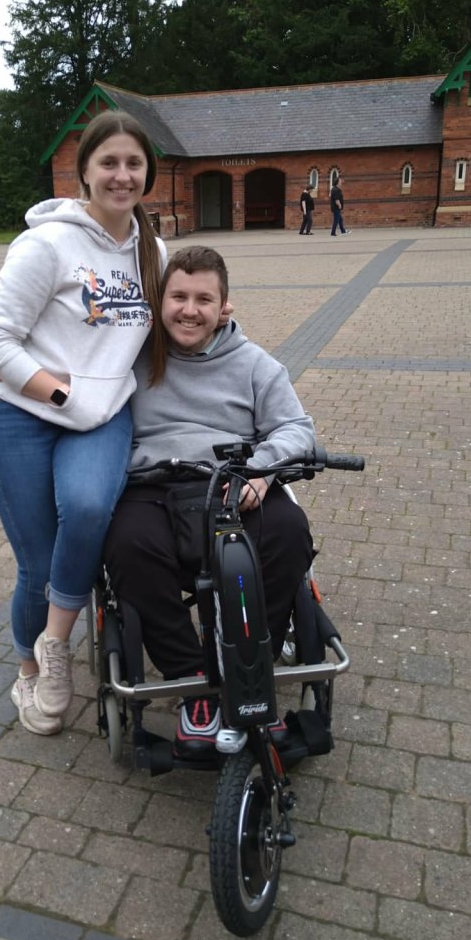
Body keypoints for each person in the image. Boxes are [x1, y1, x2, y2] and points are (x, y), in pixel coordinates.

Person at [0, 110, 170, 737]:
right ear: (84, 170)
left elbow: (161, 332)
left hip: (101, 418)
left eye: (134, 163)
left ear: (148, 173)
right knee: (37, 563)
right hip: (22, 417)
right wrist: (61, 391)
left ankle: (55, 645)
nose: (122, 175)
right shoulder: (46, 244)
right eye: (108, 162)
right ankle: (28, 669)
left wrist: (219, 321)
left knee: (87, 509)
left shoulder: (153, 250)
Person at [103, 245, 316, 760]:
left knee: (288, 532)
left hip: (233, 479)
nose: (189, 310)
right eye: (178, 296)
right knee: (126, 546)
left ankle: (253, 666)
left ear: (224, 307)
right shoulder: (133, 357)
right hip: (154, 484)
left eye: (204, 299)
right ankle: (191, 680)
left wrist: (262, 469)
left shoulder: (255, 364)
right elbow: (74, 369)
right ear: (160, 302)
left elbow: (296, 428)